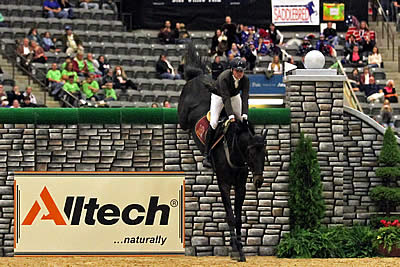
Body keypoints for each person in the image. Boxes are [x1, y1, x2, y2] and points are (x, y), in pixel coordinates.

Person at [203, 58, 249, 168]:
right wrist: (230, 116)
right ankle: (206, 154)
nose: (239, 74)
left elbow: (245, 97)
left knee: (242, 120)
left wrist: (245, 114)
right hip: (219, 96)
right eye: (237, 71)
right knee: (213, 122)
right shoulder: (224, 77)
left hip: (234, 96)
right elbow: (225, 98)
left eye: (241, 71)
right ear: (232, 70)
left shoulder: (246, 80)